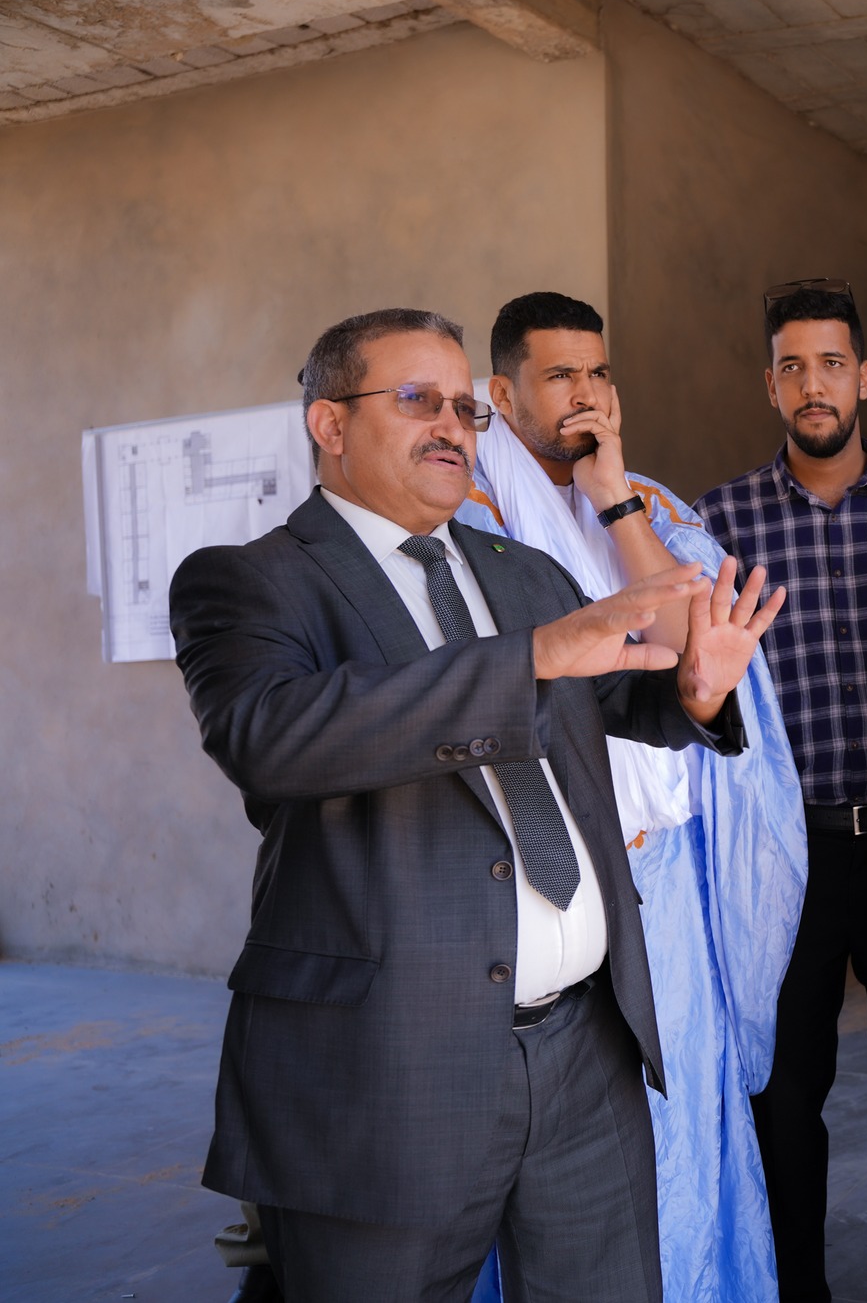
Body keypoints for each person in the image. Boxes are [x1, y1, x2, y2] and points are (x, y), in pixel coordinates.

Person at [169, 307, 784, 1303]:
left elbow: (614, 701)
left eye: (465, 408)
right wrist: (530, 659)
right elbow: (268, 736)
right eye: (419, 400)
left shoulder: (523, 574)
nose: (453, 426)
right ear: (329, 422)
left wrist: (697, 690)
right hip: (383, 1070)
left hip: (583, 1051)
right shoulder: (250, 582)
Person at [455, 291, 807, 1302]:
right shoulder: (469, 512)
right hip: (555, 875)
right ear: (502, 394)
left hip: (670, 876)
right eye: (559, 376)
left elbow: (698, 652)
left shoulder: (645, 499)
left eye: (598, 373)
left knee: (685, 1120)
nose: (585, 394)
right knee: (571, 1140)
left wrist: (611, 497)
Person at [695, 278, 867, 1302]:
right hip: (786, 855)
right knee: (783, 1094)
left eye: (829, 364)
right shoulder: (719, 522)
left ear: (863, 377)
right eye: (791, 367)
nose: (812, 385)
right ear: (769, 387)